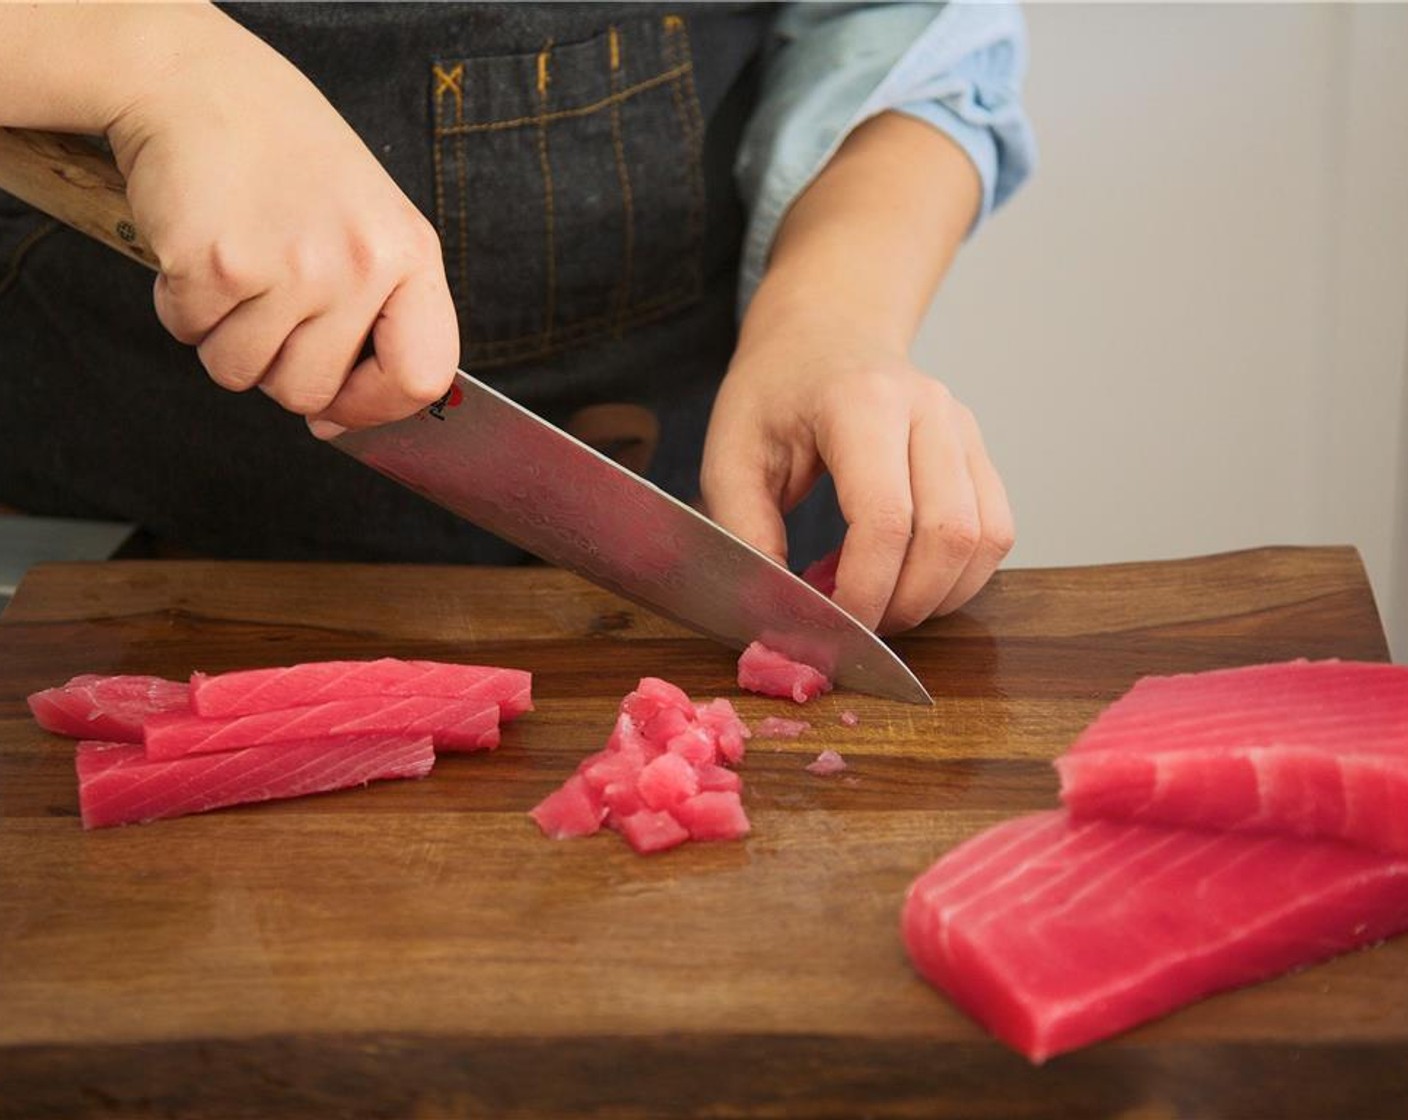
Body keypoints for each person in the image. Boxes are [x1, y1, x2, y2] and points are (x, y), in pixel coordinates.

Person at [0, 2, 1034, 635]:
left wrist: (831, 320)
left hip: (704, 553)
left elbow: (902, 29)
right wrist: (155, 59)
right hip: (95, 570)